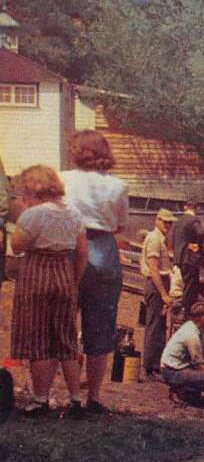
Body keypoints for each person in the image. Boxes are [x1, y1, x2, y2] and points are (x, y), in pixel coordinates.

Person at [10, 165, 88, 418]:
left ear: (32, 188)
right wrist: (73, 282)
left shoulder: (33, 215)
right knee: (66, 339)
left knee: (39, 339)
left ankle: (40, 399)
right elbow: (83, 253)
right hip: (64, 272)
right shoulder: (74, 214)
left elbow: (17, 246)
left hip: (37, 274)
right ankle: (76, 399)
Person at [62, 130, 129, 415]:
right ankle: (95, 396)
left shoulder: (62, 178)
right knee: (100, 326)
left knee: (64, 324)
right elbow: (121, 225)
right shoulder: (118, 185)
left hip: (67, 246)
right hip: (102, 248)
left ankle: (72, 395)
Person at [160, 302, 204, 407]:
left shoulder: (194, 327)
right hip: (172, 371)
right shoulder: (191, 335)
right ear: (203, 317)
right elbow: (198, 364)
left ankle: (191, 391)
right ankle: (180, 391)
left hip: (179, 366)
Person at [140, 208, 177, 381]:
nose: (168, 225)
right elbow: (153, 269)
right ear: (157, 220)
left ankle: (154, 365)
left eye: (170, 222)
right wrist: (163, 294)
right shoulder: (154, 239)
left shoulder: (160, 239)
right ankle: (150, 367)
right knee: (154, 326)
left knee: (159, 326)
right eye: (165, 221)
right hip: (156, 285)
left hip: (160, 284)